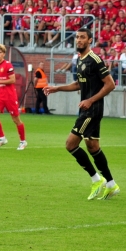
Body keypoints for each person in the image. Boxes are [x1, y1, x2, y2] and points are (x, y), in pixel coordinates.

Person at [44, 28, 120, 200]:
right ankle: (111, 184)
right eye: (77, 37)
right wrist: (57, 88)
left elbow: (110, 84)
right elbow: (79, 84)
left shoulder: (95, 59)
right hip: (86, 108)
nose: (78, 40)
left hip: (91, 110)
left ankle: (96, 179)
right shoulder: (79, 60)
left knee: (70, 144)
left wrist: (90, 100)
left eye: (82, 37)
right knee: (93, 147)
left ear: (89, 40)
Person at [0, 44, 27, 150]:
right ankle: (2, 138)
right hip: (0, 95)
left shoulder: (8, 65)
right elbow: (2, 79)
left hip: (10, 96)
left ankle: (23, 141)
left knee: (16, 119)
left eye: (0, 52)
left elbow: (12, 80)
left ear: (4, 54)